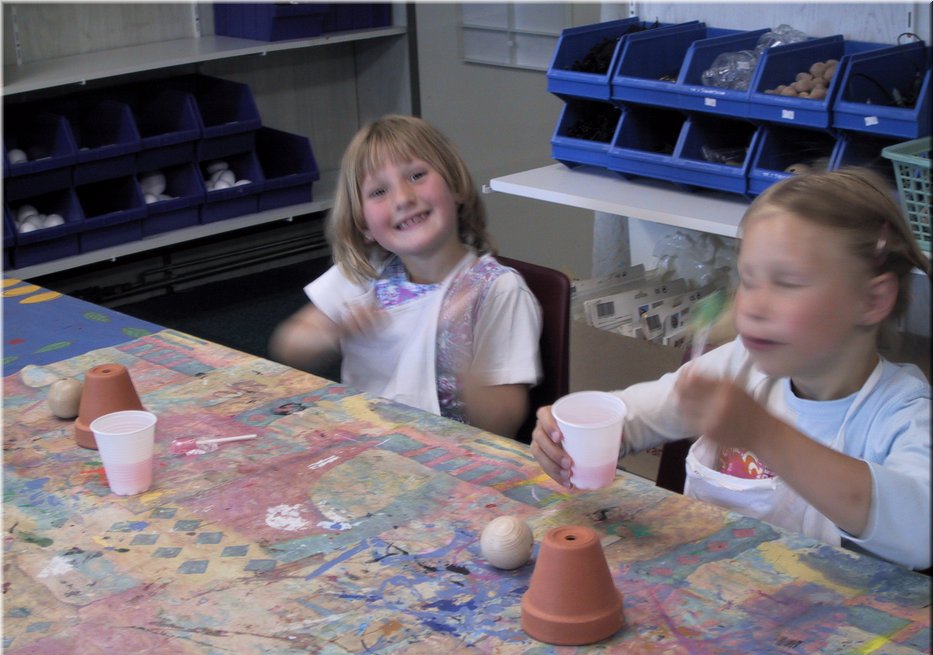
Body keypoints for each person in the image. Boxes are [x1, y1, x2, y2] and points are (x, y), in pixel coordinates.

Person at [531, 167, 931, 571]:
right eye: (748, 281)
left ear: (871, 300)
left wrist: (764, 433)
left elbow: (919, 532)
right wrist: (566, 437)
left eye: (788, 283)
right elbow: (634, 418)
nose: (753, 305)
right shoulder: (739, 365)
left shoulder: (903, 413)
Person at [270, 115, 542, 440]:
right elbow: (289, 345)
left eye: (416, 175)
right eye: (378, 191)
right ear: (364, 225)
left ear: (455, 185)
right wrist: (330, 331)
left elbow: (502, 424)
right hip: (366, 445)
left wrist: (460, 360)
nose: (402, 198)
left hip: (447, 457)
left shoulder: (496, 290)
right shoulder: (367, 271)